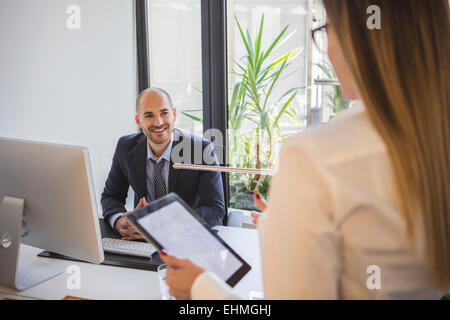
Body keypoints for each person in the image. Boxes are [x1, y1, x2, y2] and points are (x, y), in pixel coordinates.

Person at [160, 0, 450, 299]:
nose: (326, 48)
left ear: (360, 36)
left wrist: (200, 287)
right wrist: (291, 222)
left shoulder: (315, 156)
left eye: (326, 27)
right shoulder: (433, 139)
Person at [101, 88, 226, 240]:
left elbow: (215, 209)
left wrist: (165, 223)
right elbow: (111, 196)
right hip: (142, 240)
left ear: (173, 114)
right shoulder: (125, 147)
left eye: (164, 113)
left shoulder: (200, 149)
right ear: (138, 121)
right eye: (148, 115)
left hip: (189, 238)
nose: (158, 122)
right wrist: (119, 221)